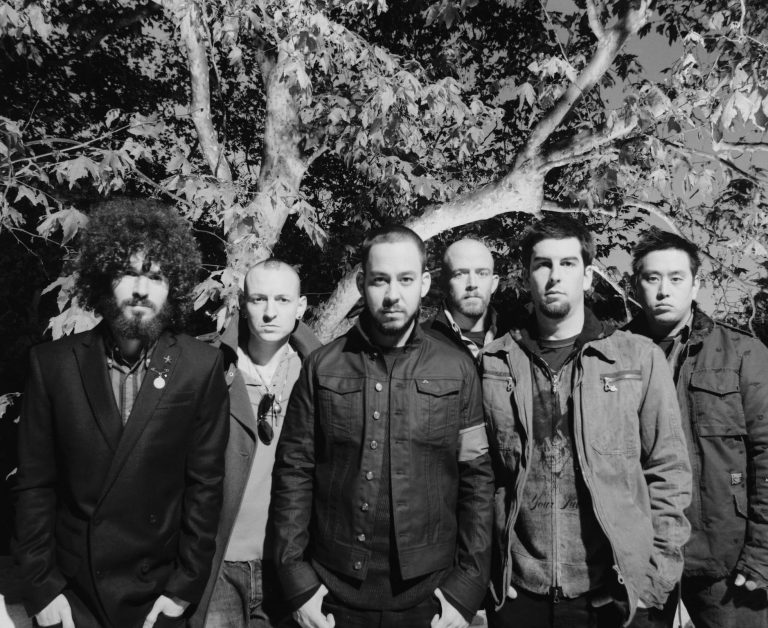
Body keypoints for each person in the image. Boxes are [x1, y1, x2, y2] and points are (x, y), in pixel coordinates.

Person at [12, 198, 229, 628]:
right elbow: (35, 485)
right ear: (103, 278)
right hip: (72, 595)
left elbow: (204, 489)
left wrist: (183, 588)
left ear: (173, 286)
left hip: (157, 594)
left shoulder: (201, 366)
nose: (142, 290)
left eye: (156, 276)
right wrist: (42, 587)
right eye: (128, 273)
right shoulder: (53, 364)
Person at [270, 225, 494, 628]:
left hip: (431, 599)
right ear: (361, 284)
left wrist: (467, 587)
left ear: (424, 284)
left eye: (405, 279)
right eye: (379, 280)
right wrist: (297, 582)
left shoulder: (458, 369)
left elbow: (476, 480)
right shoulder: (322, 366)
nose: (392, 295)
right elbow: (293, 472)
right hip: (331, 595)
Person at [481, 215, 691, 628]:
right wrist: (488, 572)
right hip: (519, 593)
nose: (555, 276)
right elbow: (478, 477)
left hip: (612, 594)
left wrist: (653, 582)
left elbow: (669, 472)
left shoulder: (637, 358)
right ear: (526, 276)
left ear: (588, 276)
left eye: (567, 263)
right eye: (542, 265)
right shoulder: (494, 363)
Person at [626, 228, 768, 628]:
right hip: (638, 556)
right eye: (652, 278)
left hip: (726, 560)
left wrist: (761, 553)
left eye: (676, 278)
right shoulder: (612, 355)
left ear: (696, 284)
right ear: (636, 285)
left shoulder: (743, 354)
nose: (664, 290)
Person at [191, 259, 321, 628]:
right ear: (242, 303)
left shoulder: (324, 371)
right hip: (218, 562)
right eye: (259, 299)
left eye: (282, 300)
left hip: (291, 563)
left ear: (300, 306)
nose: (269, 312)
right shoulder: (209, 366)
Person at [423, 238, 500, 360]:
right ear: (443, 283)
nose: (472, 284)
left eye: (482, 274)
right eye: (459, 274)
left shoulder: (519, 338)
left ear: (494, 283)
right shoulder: (421, 342)